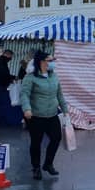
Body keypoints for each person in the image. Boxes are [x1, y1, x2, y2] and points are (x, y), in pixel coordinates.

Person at [20, 50, 69, 180]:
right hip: (36, 116)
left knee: (56, 138)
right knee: (36, 142)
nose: (52, 63)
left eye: (53, 60)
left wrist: (65, 110)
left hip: (52, 114)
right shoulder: (30, 77)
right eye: (50, 60)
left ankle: (48, 164)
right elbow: (24, 94)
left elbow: (59, 94)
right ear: (41, 62)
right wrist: (27, 109)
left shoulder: (54, 76)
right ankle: (36, 167)